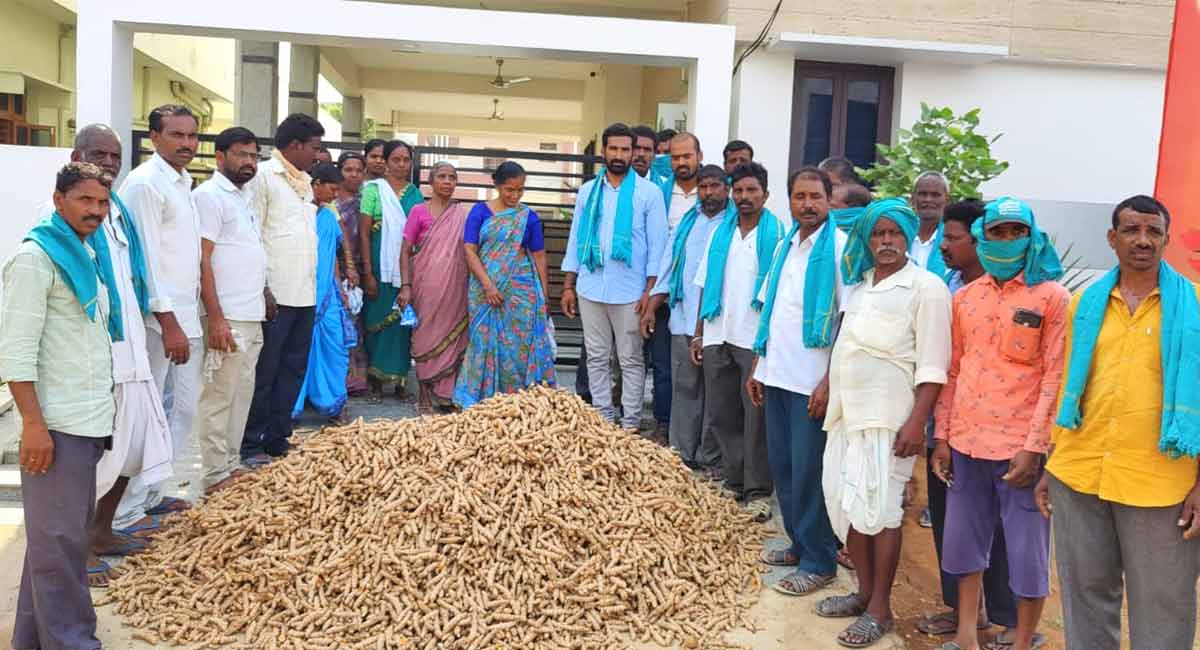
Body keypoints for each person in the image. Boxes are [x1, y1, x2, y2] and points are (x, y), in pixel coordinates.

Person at [1039, 195, 1200, 650]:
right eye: (1131, 230)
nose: (1142, 241)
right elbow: (1070, 383)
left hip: (1160, 484)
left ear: (1167, 239)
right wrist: (1052, 463)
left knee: (1163, 607)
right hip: (1080, 473)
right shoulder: (1085, 303)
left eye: (1153, 232)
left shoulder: (1195, 308)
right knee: (1086, 598)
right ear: (1113, 238)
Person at [931, 197, 1067, 650]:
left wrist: (1035, 447)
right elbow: (953, 370)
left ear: (1031, 237)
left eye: (1016, 232)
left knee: (1027, 553)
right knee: (965, 546)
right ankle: (968, 633)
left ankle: (1023, 639)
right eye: (997, 233)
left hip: (1018, 449)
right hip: (967, 443)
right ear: (983, 238)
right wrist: (943, 437)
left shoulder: (1052, 299)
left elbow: (1055, 377)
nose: (1007, 241)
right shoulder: (966, 299)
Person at [816, 198, 951, 648]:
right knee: (848, 505)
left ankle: (880, 609)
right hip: (847, 415)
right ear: (868, 239)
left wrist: (917, 423)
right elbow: (845, 345)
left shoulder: (927, 288)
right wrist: (825, 386)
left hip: (891, 420)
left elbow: (934, 366)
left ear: (909, 236)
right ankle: (861, 595)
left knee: (883, 512)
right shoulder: (861, 285)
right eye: (878, 234)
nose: (886, 242)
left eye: (894, 233)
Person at [43, 126, 172, 585]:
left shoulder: (113, 209)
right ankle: (75, 549)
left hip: (130, 340)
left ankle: (102, 531)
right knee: (96, 457)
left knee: (133, 445)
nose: (110, 162)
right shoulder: (59, 223)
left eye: (115, 155)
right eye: (99, 154)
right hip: (97, 352)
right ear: (77, 155)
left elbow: (135, 273)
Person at [4, 162, 118, 650]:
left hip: (87, 418)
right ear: (58, 201)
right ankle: (72, 642)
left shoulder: (85, 254)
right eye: (84, 201)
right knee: (62, 545)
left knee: (54, 540)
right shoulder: (36, 259)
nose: (94, 210)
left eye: (101, 202)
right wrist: (33, 424)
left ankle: (32, 638)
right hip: (55, 425)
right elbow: (15, 352)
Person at [918, 200, 1027, 643]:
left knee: (1001, 530)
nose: (944, 246)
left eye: (953, 238)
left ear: (979, 241)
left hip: (1003, 433)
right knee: (951, 524)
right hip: (950, 423)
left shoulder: (1021, 295)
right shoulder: (950, 286)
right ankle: (965, 611)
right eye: (943, 237)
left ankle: (1010, 617)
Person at [746, 166, 848, 596]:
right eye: (799, 196)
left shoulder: (841, 249)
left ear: (828, 200)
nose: (807, 204)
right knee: (784, 469)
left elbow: (847, 320)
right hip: (778, 374)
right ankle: (797, 543)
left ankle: (819, 560)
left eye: (815, 197)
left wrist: (829, 381)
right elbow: (769, 311)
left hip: (812, 384)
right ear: (788, 200)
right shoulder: (787, 246)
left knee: (809, 472)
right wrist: (758, 367)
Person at [117, 104, 203, 526]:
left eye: (192, 136)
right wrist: (168, 322)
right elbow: (146, 259)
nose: (187, 144)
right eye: (177, 135)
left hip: (187, 317)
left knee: (183, 409)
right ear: (154, 137)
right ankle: (125, 510)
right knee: (148, 412)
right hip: (161, 322)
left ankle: (153, 493)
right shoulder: (145, 184)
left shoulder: (182, 182)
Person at [693, 161, 784, 522]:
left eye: (752, 191)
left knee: (755, 417)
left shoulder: (777, 236)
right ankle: (733, 481)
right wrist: (700, 331)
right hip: (718, 333)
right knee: (722, 412)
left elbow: (777, 295)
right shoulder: (722, 233)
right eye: (739, 191)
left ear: (765, 194)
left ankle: (758, 490)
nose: (744, 198)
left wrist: (769, 344)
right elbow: (704, 283)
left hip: (754, 339)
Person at [562, 123, 668, 431]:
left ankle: (630, 423)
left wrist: (650, 294)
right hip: (591, 287)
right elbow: (574, 240)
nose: (619, 155)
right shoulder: (587, 192)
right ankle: (603, 419)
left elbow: (657, 248)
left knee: (630, 360)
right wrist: (568, 285)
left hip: (631, 291)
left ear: (634, 152)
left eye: (625, 149)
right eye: (614, 148)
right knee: (596, 357)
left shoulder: (649, 194)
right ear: (604, 151)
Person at [241, 113, 324, 461]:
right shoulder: (263, 178)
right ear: (294, 145)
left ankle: (278, 436)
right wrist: (262, 289)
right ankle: (251, 441)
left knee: (292, 369)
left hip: (303, 295)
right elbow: (251, 235)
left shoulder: (304, 183)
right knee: (266, 371)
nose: (318, 155)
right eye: (315, 148)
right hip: (274, 298)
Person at [193, 126, 269, 492]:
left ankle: (230, 465)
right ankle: (213, 474)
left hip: (250, 312)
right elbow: (203, 260)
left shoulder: (243, 197)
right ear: (220, 157)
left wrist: (265, 293)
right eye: (242, 154)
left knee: (242, 393)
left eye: (254, 156)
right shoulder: (209, 196)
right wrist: (217, 318)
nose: (249, 162)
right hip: (227, 315)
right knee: (219, 396)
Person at [642, 164, 728, 475]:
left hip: (717, 324)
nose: (709, 192)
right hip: (681, 316)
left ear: (726, 188)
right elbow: (667, 265)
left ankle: (711, 459)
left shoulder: (732, 225)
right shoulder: (687, 223)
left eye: (715, 186)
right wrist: (652, 305)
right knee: (685, 389)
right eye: (704, 187)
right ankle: (682, 454)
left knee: (715, 394)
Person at [454, 161, 556, 407]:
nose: (515, 195)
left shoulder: (527, 217)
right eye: (509, 189)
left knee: (520, 345)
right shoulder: (480, 212)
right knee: (482, 342)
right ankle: (481, 403)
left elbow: (539, 255)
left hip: (521, 290)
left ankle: (521, 403)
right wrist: (488, 285)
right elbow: (469, 250)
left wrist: (544, 294)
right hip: (483, 289)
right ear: (497, 185)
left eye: (520, 190)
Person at [398, 162, 472, 414]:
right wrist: (405, 286)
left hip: (456, 287)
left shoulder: (463, 214)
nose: (448, 182)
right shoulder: (418, 211)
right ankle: (424, 395)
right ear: (431, 181)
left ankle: (446, 395)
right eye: (442, 176)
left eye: (452, 177)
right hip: (424, 286)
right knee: (423, 338)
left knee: (454, 337)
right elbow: (405, 251)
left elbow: (471, 250)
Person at [293, 163, 358, 421]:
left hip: (328, 296)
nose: (334, 195)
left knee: (335, 350)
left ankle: (333, 404)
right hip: (298, 292)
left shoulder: (329, 218)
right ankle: (290, 409)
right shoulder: (298, 215)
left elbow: (331, 256)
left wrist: (340, 286)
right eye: (332, 189)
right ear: (316, 184)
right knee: (296, 352)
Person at [359, 140, 422, 401]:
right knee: (377, 323)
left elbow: (420, 235)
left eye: (406, 160)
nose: (401, 165)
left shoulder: (415, 194)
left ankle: (399, 383)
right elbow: (363, 234)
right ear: (385, 161)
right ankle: (374, 382)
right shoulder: (374, 190)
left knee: (401, 327)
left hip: (406, 271)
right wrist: (368, 274)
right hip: (380, 269)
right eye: (396, 159)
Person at [334, 151, 370, 396]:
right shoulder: (331, 201)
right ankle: (339, 379)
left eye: (359, 170)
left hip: (360, 270)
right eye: (349, 170)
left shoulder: (366, 201)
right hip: (335, 269)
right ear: (340, 171)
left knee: (358, 324)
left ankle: (358, 379)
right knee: (338, 325)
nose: (354, 175)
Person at [910, 171, 951, 279]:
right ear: (913, 198)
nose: (928, 199)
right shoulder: (903, 233)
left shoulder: (952, 238)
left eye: (935, 195)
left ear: (947, 200)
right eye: (923, 194)